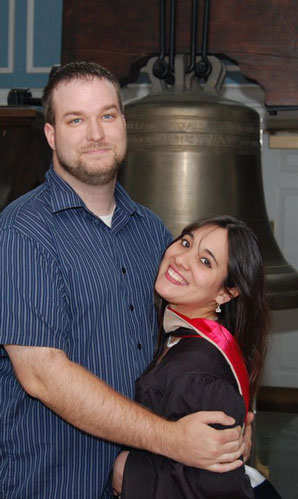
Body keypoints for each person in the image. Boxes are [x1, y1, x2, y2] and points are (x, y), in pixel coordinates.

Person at [0, 62, 247, 499]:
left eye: (107, 115)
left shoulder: (151, 230)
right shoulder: (23, 232)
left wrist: (229, 423)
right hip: (54, 479)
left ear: (124, 123)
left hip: (142, 479)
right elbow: (43, 374)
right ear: (52, 136)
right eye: (76, 119)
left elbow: (188, 335)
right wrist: (172, 440)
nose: (96, 133)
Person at [112, 216, 282, 498]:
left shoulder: (199, 373)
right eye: (186, 242)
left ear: (227, 293)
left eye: (206, 261)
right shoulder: (177, 336)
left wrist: (128, 472)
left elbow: (216, 490)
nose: (181, 259)